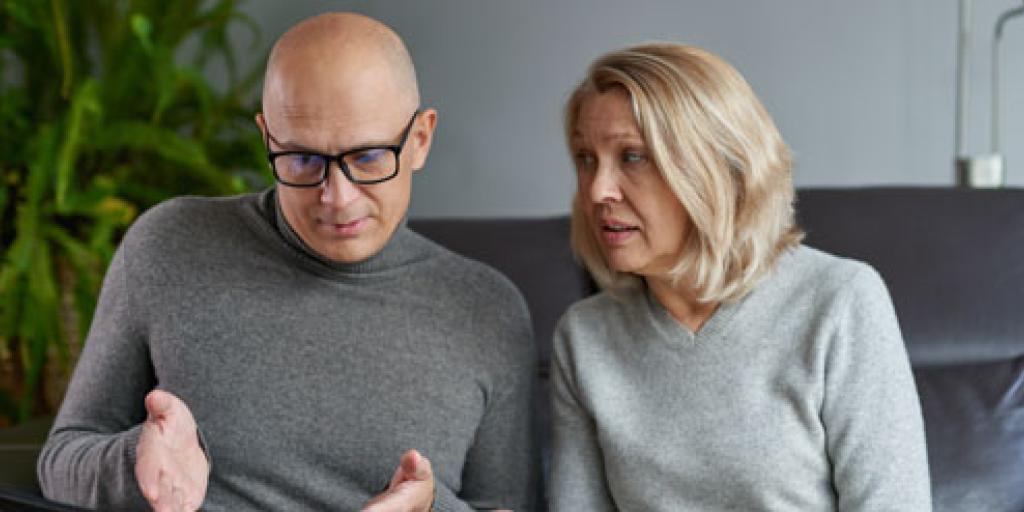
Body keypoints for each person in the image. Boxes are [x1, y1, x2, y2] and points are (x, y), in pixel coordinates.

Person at [37, 12, 535, 512]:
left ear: (420, 139)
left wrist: (431, 508)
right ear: (267, 138)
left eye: (367, 158)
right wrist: (136, 463)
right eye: (302, 160)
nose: (337, 198)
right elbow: (60, 460)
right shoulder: (169, 244)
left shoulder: (487, 309)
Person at [549, 43, 931, 511]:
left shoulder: (840, 301)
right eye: (586, 158)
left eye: (632, 156)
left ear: (715, 166)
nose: (597, 191)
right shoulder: (584, 337)